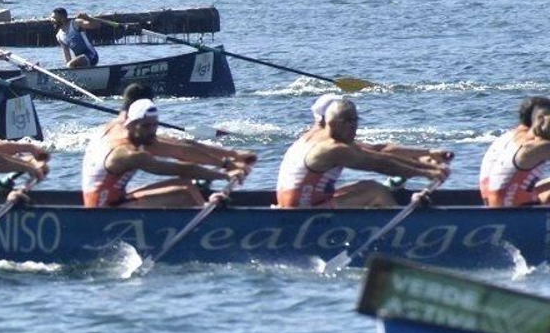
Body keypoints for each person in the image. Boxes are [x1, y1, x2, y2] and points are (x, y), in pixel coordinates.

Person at [275, 98, 449, 208]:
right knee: (376, 192)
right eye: (348, 122)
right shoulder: (332, 149)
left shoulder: (322, 138)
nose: (354, 127)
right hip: (301, 212)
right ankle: (407, 237)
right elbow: (378, 163)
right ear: (332, 123)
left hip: (305, 203)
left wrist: (426, 155)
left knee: (369, 185)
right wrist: (426, 172)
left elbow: (378, 152)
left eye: (355, 121)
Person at [82, 99, 247, 208]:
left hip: (117, 197)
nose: (152, 131)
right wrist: (224, 176)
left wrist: (228, 162)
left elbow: (182, 150)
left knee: (187, 184)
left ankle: (203, 211)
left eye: (155, 125)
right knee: (184, 195)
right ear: (131, 125)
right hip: (102, 209)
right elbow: (181, 169)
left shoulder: (124, 131)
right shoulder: (129, 154)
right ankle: (208, 227)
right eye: (146, 126)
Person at [94, 83, 256, 173]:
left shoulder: (122, 124)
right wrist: (228, 165)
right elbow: (182, 152)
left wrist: (233, 154)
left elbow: (182, 144)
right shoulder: (130, 134)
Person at [480, 96, 550, 207]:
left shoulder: (507, 137)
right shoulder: (538, 147)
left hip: (491, 204)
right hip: (512, 211)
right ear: (541, 121)